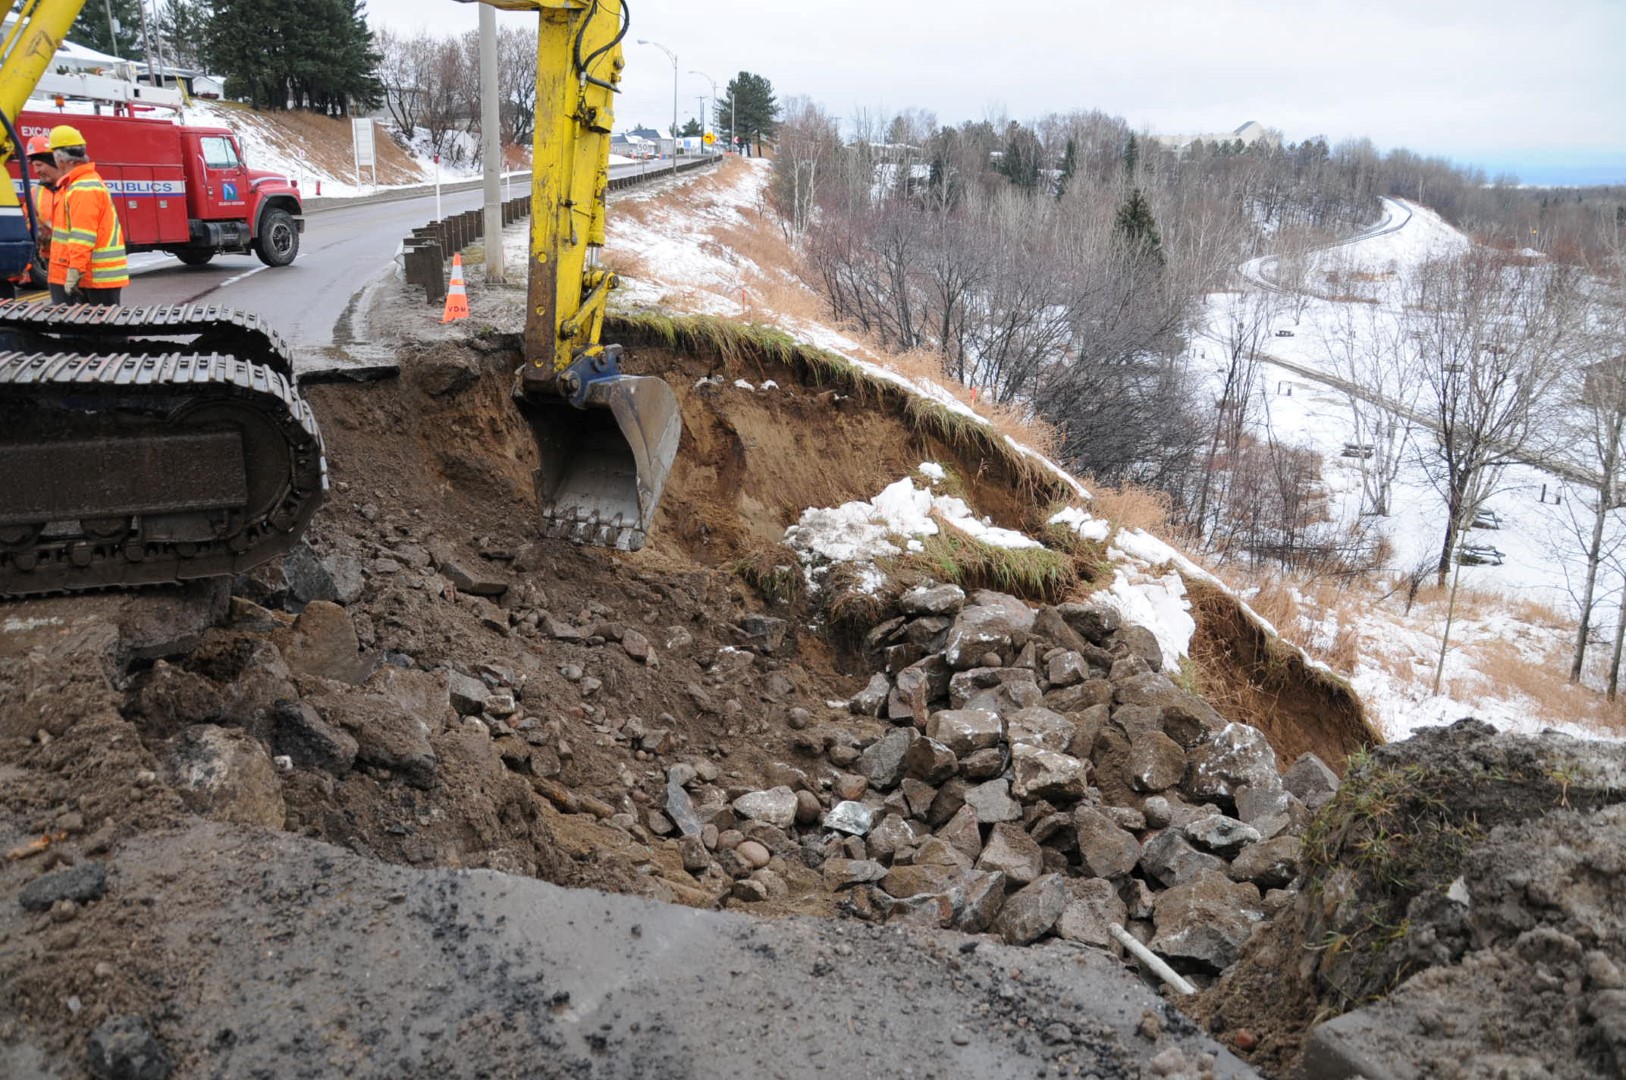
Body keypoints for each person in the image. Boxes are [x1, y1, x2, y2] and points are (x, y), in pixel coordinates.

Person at [45, 125, 128, 305]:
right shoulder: (82, 184)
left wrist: (75, 270)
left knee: (103, 329)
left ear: (59, 159)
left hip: (94, 277)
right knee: (102, 329)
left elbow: (82, 236)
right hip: (94, 276)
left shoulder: (82, 188)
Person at [0, 136, 57, 301]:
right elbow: (26, 229)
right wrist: (25, 263)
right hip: (55, 266)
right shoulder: (35, 193)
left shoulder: (75, 189)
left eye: (39, 165)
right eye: (33, 166)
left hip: (80, 267)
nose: (36, 170)